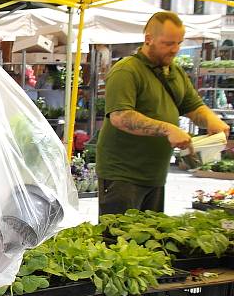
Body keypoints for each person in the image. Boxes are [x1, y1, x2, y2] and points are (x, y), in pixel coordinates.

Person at [96, 11, 230, 215]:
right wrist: (167, 129)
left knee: (150, 240)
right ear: (148, 39)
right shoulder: (127, 70)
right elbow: (120, 116)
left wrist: (212, 120)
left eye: (179, 43)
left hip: (155, 175)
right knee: (116, 242)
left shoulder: (174, 72)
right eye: (168, 43)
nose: (175, 49)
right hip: (123, 175)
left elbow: (192, 105)